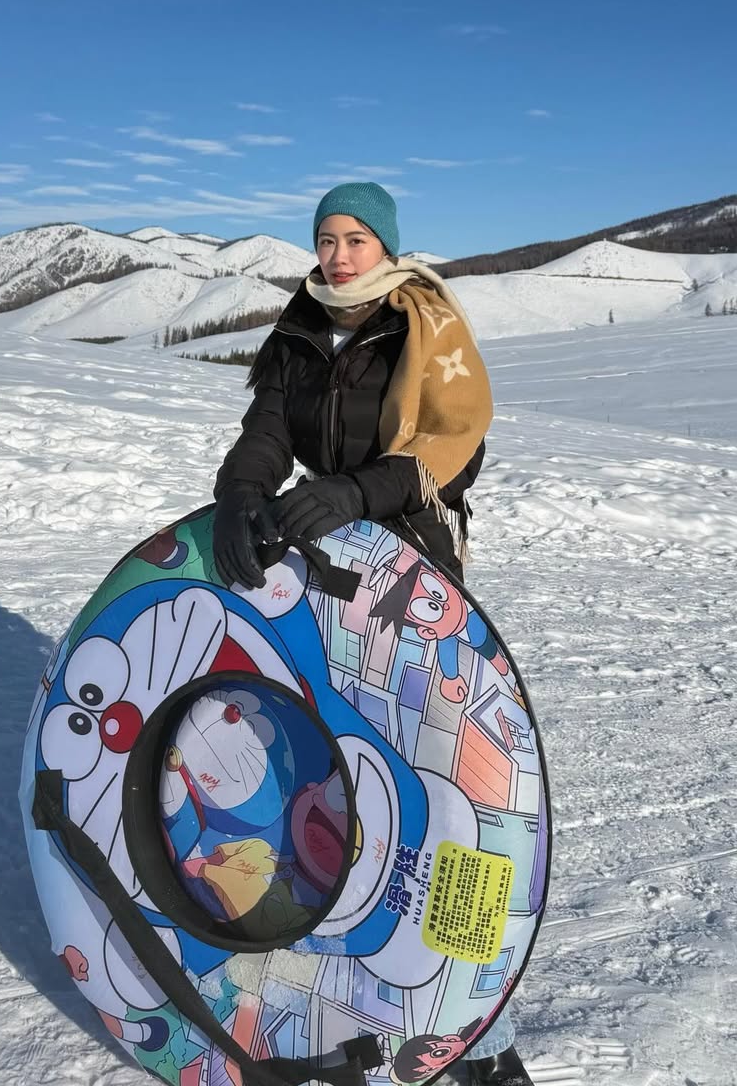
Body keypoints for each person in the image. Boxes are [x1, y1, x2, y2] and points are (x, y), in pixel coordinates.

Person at [210, 181, 526, 1086]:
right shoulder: (300, 330)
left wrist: (361, 490)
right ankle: (334, 990)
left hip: (412, 565)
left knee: (440, 786)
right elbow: (268, 431)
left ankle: (481, 1034)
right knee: (331, 764)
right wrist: (242, 491)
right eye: (326, 238)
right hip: (320, 567)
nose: (340, 254)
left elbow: (454, 439)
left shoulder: (422, 322)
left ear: (386, 247)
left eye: (356, 238)